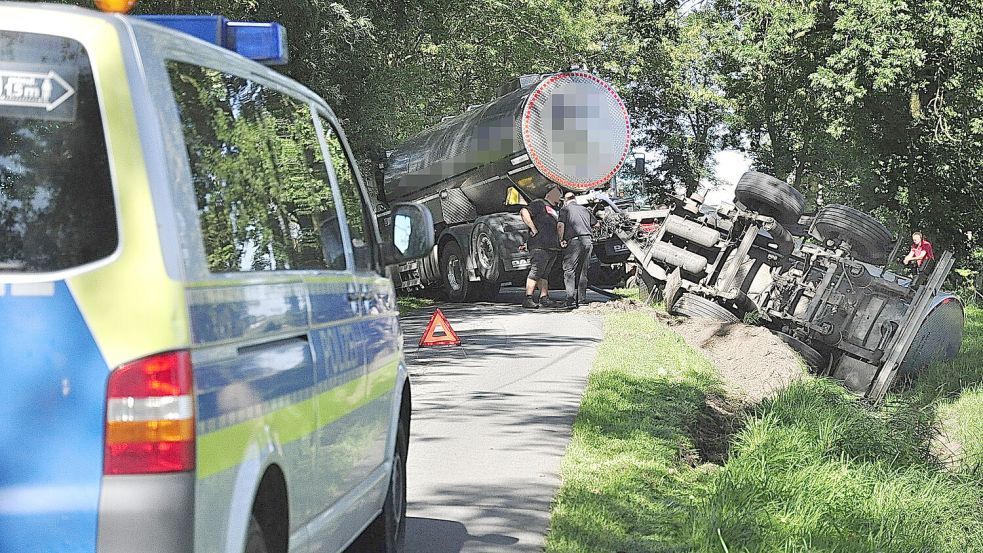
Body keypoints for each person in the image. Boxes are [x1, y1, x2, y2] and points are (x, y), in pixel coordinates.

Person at [557, 191, 598, 308]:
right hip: (588, 241)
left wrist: (561, 239)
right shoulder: (585, 210)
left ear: (566, 200)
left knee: (569, 270)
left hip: (575, 241)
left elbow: (560, 225)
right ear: (575, 199)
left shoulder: (565, 209)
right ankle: (582, 299)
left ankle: (570, 299)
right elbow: (597, 224)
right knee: (583, 271)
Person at [520, 198, 561, 309]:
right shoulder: (539, 203)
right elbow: (524, 211)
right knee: (536, 271)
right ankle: (528, 298)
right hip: (539, 245)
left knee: (544, 274)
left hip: (552, 247)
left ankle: (544, 298)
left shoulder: (554, 209)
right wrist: (533, 228)